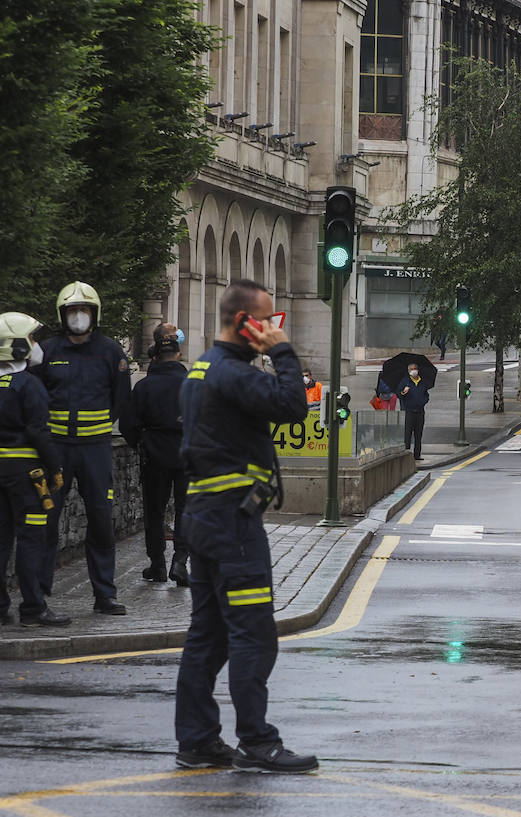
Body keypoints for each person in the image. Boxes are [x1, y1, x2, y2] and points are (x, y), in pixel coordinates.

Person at [174, 278, 316, 774]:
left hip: (205, 518)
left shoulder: (201, 369)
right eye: (269, 321)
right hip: (232, 524)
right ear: (245, 323)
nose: (275, 328)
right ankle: (258, 742)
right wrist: (284, 354)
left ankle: (197, 742)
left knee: (208, 636)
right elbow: (294, 406)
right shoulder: (232, 373)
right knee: (253, 633)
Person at [33, 281, 130, 616]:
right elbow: (35, 397)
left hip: (95, 450)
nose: (78, 316)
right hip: (56, 451)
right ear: (63, 315)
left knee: (102, 521)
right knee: (45, 520)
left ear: (94, 314)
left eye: (83, 311)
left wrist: (98, 429)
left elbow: (121, 399)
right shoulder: (47, 351)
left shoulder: (111, 351)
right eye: (73, 311)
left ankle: (105, 595)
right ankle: (37, 596)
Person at [0, 312, 71, 628]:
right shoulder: (29, 385)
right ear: (16, 346)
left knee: (1, 539)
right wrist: (55, 466)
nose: (37, 345)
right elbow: (39, 432)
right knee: (32, 537)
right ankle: (33, 608)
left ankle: (1, 608)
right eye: (31, 339)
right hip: (27, 474)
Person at [119, 323, 190, 586]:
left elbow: (128, 424)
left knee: (155, 511)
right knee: (186, 511)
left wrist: (141, 442)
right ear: (179, 356)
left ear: (156, 356)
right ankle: (180, 562)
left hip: (155, 454)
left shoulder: (144, 387)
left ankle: (158, 564)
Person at [398, 362, 429, 461]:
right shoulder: (405, 381)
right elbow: (399, 394)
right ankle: (406, 453)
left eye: (415, 368)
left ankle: (417, 454)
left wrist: (422, 402)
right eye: (411, 369)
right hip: (409, 411)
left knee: (418, 434)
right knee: (408, 434)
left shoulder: (422, 381)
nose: (414, 370)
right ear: (408, 371)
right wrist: (403, 392)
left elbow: (426, 395)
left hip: (420, 411)